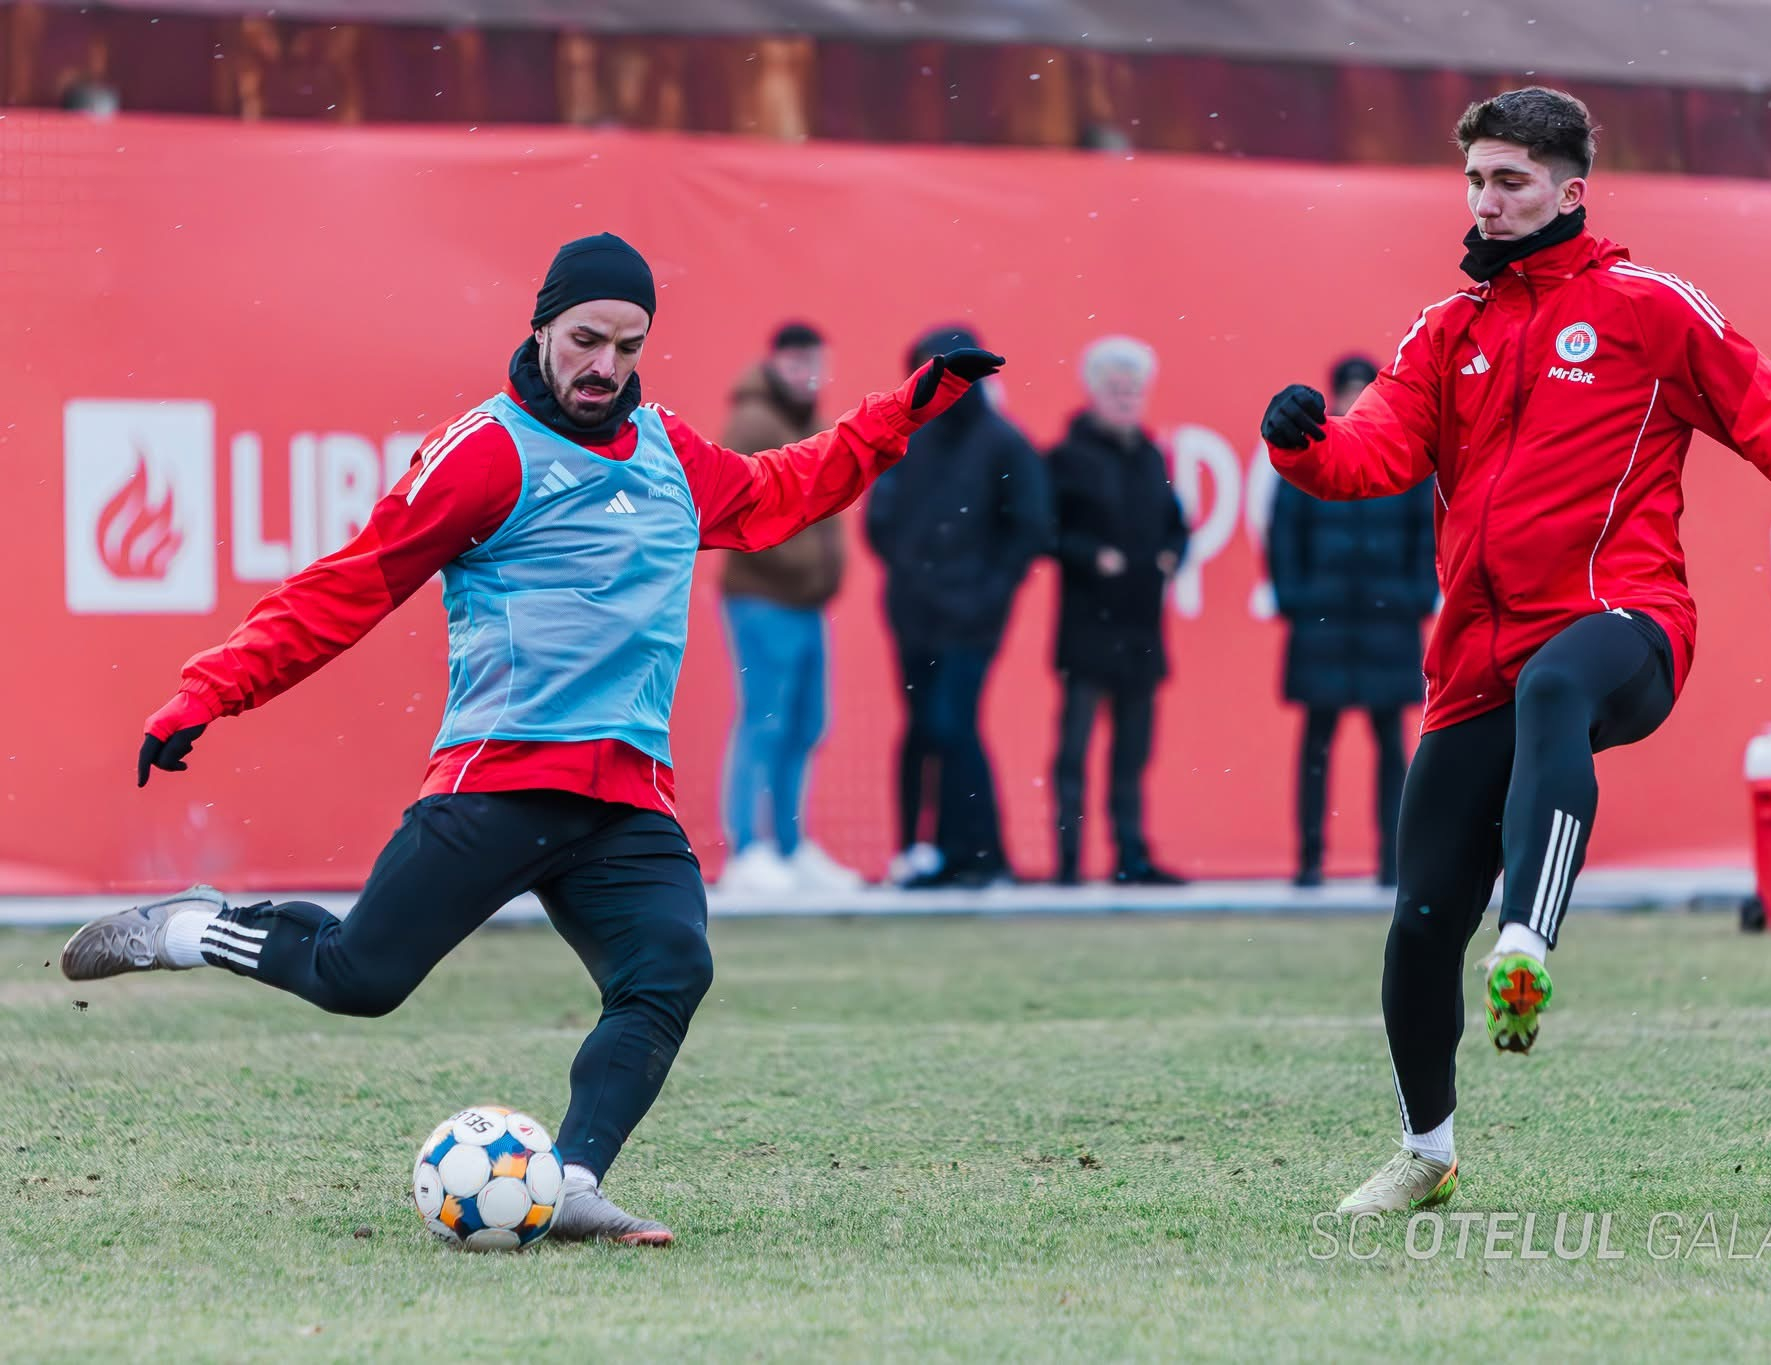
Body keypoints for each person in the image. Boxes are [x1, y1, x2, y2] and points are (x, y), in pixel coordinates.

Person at [63, 232, 1003, 1243]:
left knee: (670, 970)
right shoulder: (483, 451)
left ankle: (572, 1182)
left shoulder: (673, 452)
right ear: (543, 327)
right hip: (500, 781)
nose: (605, 365)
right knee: (358, 980)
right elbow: (348, 586)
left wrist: (906, 409)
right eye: (586, 339)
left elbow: (782, 494)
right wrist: (210, 690)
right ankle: (190, 929)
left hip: (625, 797)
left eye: (627, 345)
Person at [1259, 88, 1771, 1217]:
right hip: (1475, 654)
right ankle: (1426, 1150)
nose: (1487, 201)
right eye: (1474, 180)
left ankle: (1527, 938)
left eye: (1509, 181)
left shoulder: (1648, 310)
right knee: (1420, 918)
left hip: (1625, 622)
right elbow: (1372, 455)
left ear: (1570, 191)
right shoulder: (1445, 332)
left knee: (1559, 688)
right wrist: (1305, 445)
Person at [864, 325, 1053, 889]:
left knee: (953, 724)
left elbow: (1032, 528)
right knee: (923, 728)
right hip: (914, 614)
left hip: (972, 619)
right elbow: (878, 521)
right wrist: (911, 573)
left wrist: (986, 590)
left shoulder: (1003, 442)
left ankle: (977, 852)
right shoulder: (907, 438)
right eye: (926, 371)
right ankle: (925, 854)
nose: (936, 383)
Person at [1267, 354, 1436, 890]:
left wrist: (1414, 597)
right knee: (1317, 744)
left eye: (1365, 392)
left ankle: (1393, 861)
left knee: (1392, 748)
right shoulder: (1307, 457)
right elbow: (1281, 537)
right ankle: (1309, 861)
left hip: (1388, 623)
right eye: (1348, 391)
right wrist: (1297, 599)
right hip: (1323, 623)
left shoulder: (1403, 457)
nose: (1355, 401)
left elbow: (1429, 536)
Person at [715, 320, 861, 895]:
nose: (809, 375)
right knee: (764, 720)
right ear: (775, 362)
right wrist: (804, 565)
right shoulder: (754, 420)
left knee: (804, 723)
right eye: (799, 363)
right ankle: (748, 851)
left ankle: (792, 847)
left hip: (805, 603)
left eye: (816, 364)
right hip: (762, 598)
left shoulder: (808, 420)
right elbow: (745, 511)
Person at [1048, 336, 1190, 886]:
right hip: (1088, 626)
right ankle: (1068, 859)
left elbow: (1177, 520)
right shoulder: (1067, 458)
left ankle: (1130, 855)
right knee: (1074, 752)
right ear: (1093, 393)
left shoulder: (1153, 456)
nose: (1125, 398)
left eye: (1133, 388)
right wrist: (1089, 556)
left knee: (1132, 753)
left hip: (1140, 626)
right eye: (1114, 388)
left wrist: (1173, 553)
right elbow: (1048, 530)